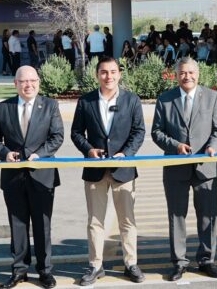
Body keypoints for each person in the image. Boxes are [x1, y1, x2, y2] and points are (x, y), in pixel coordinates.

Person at [0, 66, 64, 289]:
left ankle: (45, 271)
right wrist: (4, 153)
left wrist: (41, 154)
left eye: (32, 80)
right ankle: (19, 270)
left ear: (38, 82)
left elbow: (57, 137)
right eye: (23, 81)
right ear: (15, 84)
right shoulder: (3, 108)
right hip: (13, 176)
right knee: (18, 224)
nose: (28, 85)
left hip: (42, 175)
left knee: (42, 224)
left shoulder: (50, 105)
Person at [70, 57, 146, 285]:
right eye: (104, 72)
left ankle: (130, 263)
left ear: (119, 74)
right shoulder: (86, 101)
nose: (109, 76)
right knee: (95, 221)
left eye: (113, 72)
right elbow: (76, 133)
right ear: (97, 75)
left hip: (123, 170)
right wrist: (88, 150)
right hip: (95, 170)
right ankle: (95, 265)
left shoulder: (132, 100)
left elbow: (139, 131)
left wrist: (127, 153)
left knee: (127, 221)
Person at [151, 58, 217, 281]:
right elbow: (156, 132)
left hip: (206, 168)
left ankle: (207, 260)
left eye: (191, 72)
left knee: (208, 216)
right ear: (176, 75)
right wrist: (175, 146)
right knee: (177, 216)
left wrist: (213, 146)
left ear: (198, 73)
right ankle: (179, 262)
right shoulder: (165, 99)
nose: (187, 77)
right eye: (183, 73)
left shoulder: (212, 97)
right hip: (176, 167)